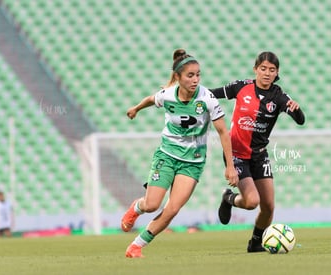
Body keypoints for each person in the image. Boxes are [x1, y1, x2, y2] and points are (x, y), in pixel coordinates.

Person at [122, 49, 239, 258]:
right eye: (190, 75)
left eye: (198, 75)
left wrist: (230, 166)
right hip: (166, 156)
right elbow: (151, 99)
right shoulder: (168, 95)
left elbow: (223, 131)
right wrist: (136, 108)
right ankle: (137, 207)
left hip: (192, 163)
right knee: (152, 205)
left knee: (172, 209)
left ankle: (136, 246)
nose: (196, 80)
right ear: (178, 77)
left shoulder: (208, 98)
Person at [209, 51, 305, 252]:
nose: (267, 73)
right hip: (236, 153)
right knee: (252, 201)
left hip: (259, 155)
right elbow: (210, 94)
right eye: (263, 69)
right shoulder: (242, 87)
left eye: (272, 70)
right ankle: (229, 198)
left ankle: (254, 244)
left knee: (268, 206)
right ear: (256, 69)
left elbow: (300, 120)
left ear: (277, 72)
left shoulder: (278, 96)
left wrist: (296, 109)